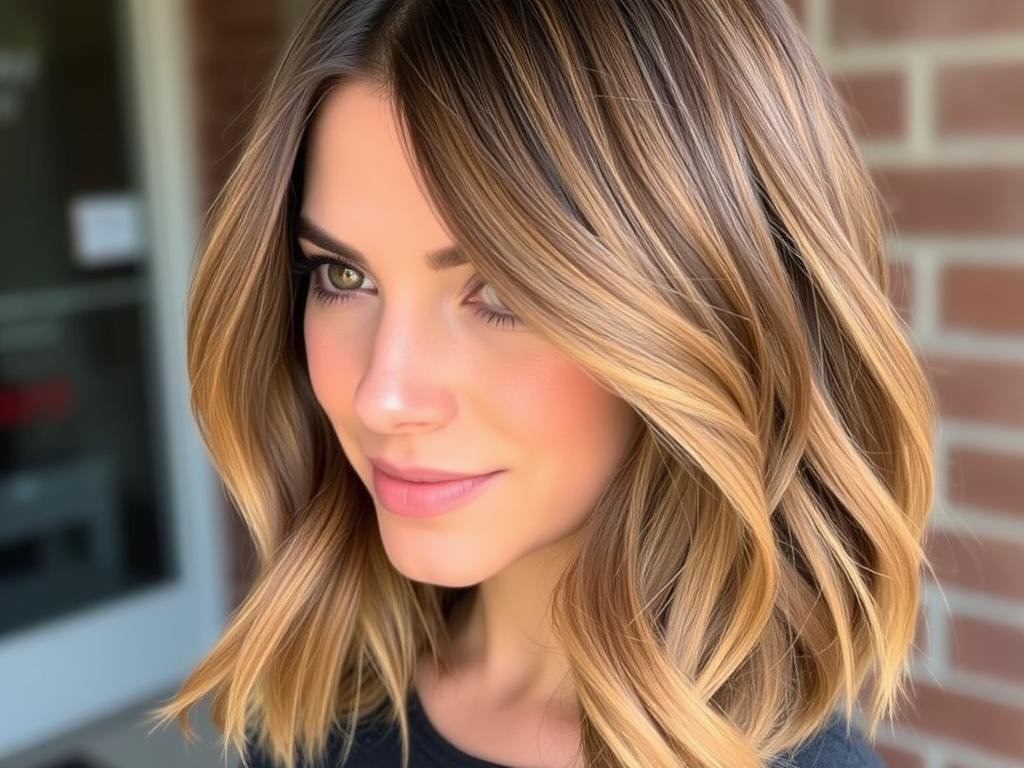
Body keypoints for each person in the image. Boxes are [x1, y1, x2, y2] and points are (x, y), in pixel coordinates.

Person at [148, 0, 936, 766]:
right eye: (342, 275)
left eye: (502, 292)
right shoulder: (311, 705)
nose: (382, 396)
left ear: (713, 315)